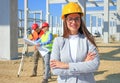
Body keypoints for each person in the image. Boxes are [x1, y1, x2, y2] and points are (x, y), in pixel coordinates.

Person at [50, 2, 100, 83]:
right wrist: (83, 64)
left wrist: (66, 65)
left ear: (80, 20)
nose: (74, 22)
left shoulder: (88, 39)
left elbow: (94, 65)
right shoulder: (58, 41)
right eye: (70, 19)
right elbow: (55, 70)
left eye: (77, 18)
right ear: (65, 21)